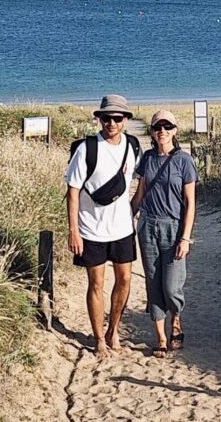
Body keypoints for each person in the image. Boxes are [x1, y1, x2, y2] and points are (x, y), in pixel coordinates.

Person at [65, 94, 141, 358]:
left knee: (125, 280)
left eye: (117, 118)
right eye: (106, 118)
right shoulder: (86, 149)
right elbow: (72, 192)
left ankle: (113, 330)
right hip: (91, 230)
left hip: (122, 229)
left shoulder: (133, 147)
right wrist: (73, 230)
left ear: (125, 121)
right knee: (96, 283)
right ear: (98, 119)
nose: (111, 123)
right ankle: (98, 337)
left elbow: (139, 181)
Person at [131, 109, 198, 358]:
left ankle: (176, 320)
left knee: (172, 286)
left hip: (173, 226)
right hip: (147, 225)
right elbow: (140, 193)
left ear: (175, 130)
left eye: (167, 127)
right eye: (157, 127)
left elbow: (190, 202)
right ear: (151, 131)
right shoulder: (147, 159)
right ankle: (160, 336)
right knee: (152, 282)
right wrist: (125, 218)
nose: (162, 131)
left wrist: (185, 238)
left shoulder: (184, 161)